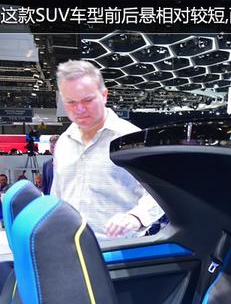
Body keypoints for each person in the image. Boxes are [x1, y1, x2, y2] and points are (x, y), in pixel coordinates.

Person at [52, 60, 164, 241]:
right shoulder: (64, 141)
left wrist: (136, 218)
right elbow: (58, 193)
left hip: (120, 247)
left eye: (87, 100)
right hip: (70, 245)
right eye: (70, 102)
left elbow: (159, 192)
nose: (79, 109)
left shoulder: (132, 138)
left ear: (104, 95)